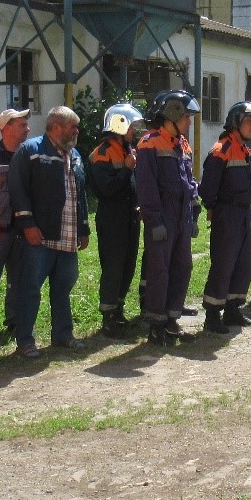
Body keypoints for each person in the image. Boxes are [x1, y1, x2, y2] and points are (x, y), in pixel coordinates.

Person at [10, 105, 89, 357]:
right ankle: (25, 341)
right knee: (30, 288)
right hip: (40, 237)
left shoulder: (74, 155)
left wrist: (83, 228)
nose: (76, 131)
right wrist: (28, 225)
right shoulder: (31, 151)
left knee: (63, 288)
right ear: (56, 127)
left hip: (67, 236)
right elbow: (18, 190)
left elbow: (80, 194)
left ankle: (63, 335)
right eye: (72, 126)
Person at [137, 90, 201, 344]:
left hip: (182, 216)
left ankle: (172, 320)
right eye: (186, 117)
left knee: (183, 267)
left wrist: (194, 211)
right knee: (159, 271)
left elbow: (189, 180)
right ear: (171, 115)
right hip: (163, 217)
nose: (189, 122)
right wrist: (154, 221)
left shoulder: (182, 143)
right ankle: (156, 324)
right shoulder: (149, 142)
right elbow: (146, 186)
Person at [200, 101, 251, 333]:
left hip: (245, 213)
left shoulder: (245, 150)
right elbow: (207, 190)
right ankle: (213, 314)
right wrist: (217, 210)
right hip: (228, 214)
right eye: (248, 121)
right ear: (236, 122)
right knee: (223, 265)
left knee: (244, 265)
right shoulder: (221, 150)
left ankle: (233, 309)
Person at [86, 102, 144, 336]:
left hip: (129, 215)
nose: (134, 132)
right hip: (112, 218)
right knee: (113, 266)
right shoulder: (102, 153)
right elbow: (106, 189)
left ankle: (118, 310)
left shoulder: (127, 149)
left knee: (128, 265)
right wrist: (127, 169)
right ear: (119, 125)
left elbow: (133, 185)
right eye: (131, 127)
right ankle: (108, 317)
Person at [0, 108, 31, 338]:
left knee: (18, 279)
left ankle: (14, 320)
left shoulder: (26, 154)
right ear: (7, 128)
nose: (27, 129)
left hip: (21, 229)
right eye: (22, 125)